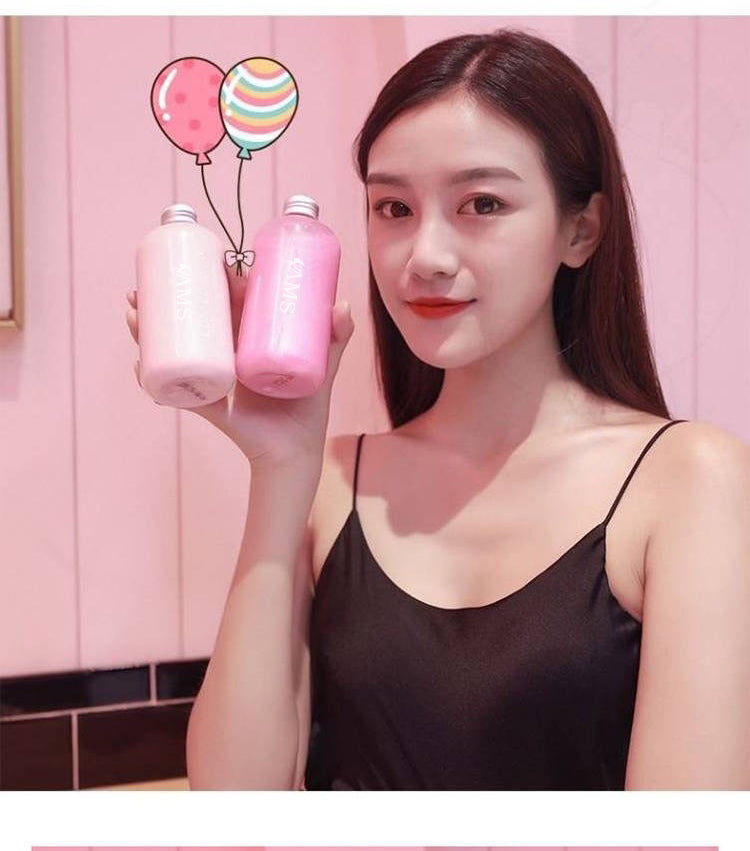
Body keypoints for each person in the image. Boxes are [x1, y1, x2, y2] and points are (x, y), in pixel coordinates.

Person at [125, 28, 749, 790]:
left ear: (580, 229)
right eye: (393, 207)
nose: (424, 256)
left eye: (482, 203)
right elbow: (234, 808)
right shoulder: (329, 482)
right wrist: (280, 466)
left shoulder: (690, 481)